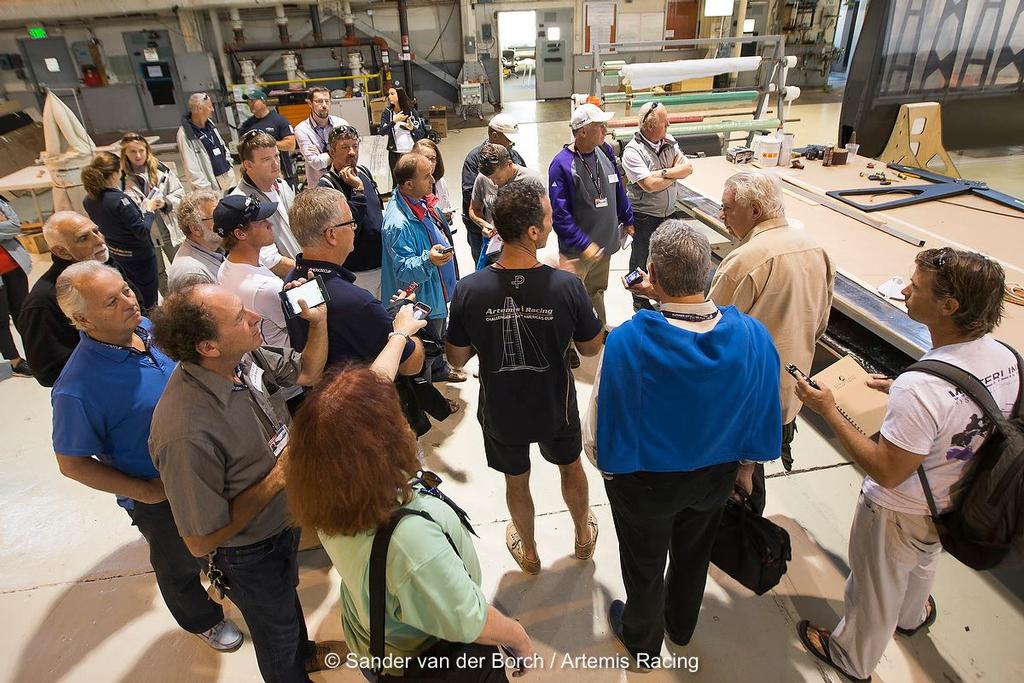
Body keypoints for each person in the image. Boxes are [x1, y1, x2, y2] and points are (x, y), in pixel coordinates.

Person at [794, 248, 1014, 683]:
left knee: (875, 588)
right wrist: (904, 389)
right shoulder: (1005, 358)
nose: (906, 289)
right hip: (956, 498)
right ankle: (912, 616)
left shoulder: (922, 387)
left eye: (917, 286)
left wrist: (829, 410)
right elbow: (967, 402)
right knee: (924, 562)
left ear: (949, 307)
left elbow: (887, 470)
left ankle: (851, 656)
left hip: (900, 509)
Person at [584, 220, 782, 668]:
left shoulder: (630, 340)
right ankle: (682, 624)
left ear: (651, 272)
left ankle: (642, 641)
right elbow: (760, 409)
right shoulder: (753, 336)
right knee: (694, 553)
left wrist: (612, 473)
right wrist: (745, 470)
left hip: (646, 484)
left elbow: (598, 430)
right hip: (715, 477)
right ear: (708, 271)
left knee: (645, 563)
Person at [285, 366, 534, 680]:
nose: (406, 424)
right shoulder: (410, 539)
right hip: (426, 657)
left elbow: (342, 418)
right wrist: (518, 638)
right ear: (380, 447)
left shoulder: (330, 492)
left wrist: (399, 336)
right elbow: (469, 620)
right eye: (395, 417)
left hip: (377, 638)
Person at [50, 261, 243, 653]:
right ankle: (201, 618)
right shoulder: (77, 386)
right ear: (82, 319)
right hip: (163, 493)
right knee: (178, 562)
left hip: (212, 466)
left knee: (224, 537)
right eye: (111, 301)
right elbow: (71, 462)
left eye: (124, 289)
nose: (128, 300)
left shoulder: (152, 331)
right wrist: (144, 491)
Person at [149, 281, 333, 682]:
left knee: (285, 607)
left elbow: (306, 371)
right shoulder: (185, 430)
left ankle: (305, 654)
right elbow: (200, 540)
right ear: (208, 347)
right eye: (239, 317)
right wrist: (278, 477)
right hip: (248, 552)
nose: (255, 317)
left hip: (281, 526)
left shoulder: (242, 358)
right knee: (275, 634)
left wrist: (317, 323)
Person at [447, 178, 605, 574]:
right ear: (533, 232)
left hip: (502, 409)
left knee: (516, 481)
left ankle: (530, 553)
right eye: (549, 216)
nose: (553, 221)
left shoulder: (469, 289)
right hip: (556, 404)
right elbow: (590, 349)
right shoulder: (567, 286)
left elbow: (456, 357)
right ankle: (583, 537)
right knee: (571, 467)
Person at [708, 171, 835, 507]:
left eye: (728, 208)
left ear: (756, 210)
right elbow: (820, 325)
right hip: (788, 396)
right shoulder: (817, 249)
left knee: (733, 490)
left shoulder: (744, 260)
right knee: (756, 474)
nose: (722, 215)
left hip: (741, 406)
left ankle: (738, 548)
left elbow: (709, 334)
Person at [284, 187, 425, 375]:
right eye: (351, 222)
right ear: (331, 234)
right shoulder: (358, 303)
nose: (354, 228)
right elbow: (411, 365)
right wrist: (405, 327)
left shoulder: (293, 282)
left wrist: (385, 317)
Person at [18, 212, 143, 386]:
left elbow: (141, 309)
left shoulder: (103, 266)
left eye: (97, 231)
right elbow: (49, 372)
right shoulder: (43, 303)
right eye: (84, 238)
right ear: (61, 251)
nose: (99, 240)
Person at [548, 103, 634, 329]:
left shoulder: (604, 150)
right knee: (571, 297)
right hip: (578, 251)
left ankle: (597, 329)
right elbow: (560, 216)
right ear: (583, 131)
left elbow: (617, 187)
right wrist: (583, 244)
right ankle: (567, 345)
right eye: (600, 126)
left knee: (597, 291)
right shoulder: (561, 165)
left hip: (604, 245)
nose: (605, 130)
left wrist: (627, 217)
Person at [382, 153, 464, 382]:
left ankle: (439, 374)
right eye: (426, 176)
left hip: (435, 293)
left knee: (435, 347)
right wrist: (428, 260)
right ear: (408, 184)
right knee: (423, 356)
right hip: (423, 300)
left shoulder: (417, 203)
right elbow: (403, 271)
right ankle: (428, 403)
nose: (432, 180)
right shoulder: (399, 223)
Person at [620, 102, 693, 311]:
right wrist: (672, 172)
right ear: (651, 127)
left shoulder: (668, 141)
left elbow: (687, 168)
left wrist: (661, 173)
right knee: (640, 258)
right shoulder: (633, 152)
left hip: (669, 213)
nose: (669, 123)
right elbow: (650, 186)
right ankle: (639, 299)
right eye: (665, 122)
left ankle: (666, 294)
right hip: (645, 216)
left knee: (670, 257)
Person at [82, 151, 160, 311]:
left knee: (131, 291)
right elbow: (142, 231)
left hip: (117, 254)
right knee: (149, 298)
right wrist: (150, 211)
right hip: (140, 257)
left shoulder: (89, 199)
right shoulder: (119, 201)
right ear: (113, 174)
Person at [214, 195, 291, 349]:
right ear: (240, 234)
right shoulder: (267, 287)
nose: (270, 224)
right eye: (262, 222)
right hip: (291, 362)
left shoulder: (226, 267)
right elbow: (306, 324)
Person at [317, 126, 384, 298]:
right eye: (345, 147)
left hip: (382, 263)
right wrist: (358, 191)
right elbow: (347, 228)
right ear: (332, 152)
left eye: (355, 146)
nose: (352, 152)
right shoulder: (327, 187)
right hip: (358, 272)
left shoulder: (363, 172)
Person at [120, 132, 186, 296]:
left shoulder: (161, 169)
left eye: (141, 150)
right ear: (125, 154)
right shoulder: (121, 178)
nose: (138, 155)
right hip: (146, 235)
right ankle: (170, 301)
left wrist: (165, 202)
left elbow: (180, 193)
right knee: (157, 273)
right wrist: (143, 206)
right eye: (132, 152)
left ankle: (187, 299)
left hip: (169, 231)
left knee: (181, 268)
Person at [461, 113, 526, 264]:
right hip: (481, 233)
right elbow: (470, 198)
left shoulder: (514, 157)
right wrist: (485, 225)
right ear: (495, 136)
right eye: (509, 141)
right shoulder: (474, 160)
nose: (511, 145)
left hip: (510, 233)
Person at [468, 144, 543, 270]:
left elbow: (544, 218)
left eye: (496, 177)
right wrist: (484, 225)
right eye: (489, 179)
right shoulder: (482, 178)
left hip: (522, 255)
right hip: (494, 255)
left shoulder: (531, 180)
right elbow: (474, 210)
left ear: (509, 164)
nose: (493, 183)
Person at [231, 131, 301, 261]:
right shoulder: (242, 202)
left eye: (276, 156)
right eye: (267, 159)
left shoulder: (282, 185)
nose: (275, 163)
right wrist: (304, 270)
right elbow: (269, 260)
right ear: (248, 165)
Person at [239, 88, 297, 188]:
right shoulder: (246, 126)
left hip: (281, 173)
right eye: (248, 102)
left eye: (253, 101)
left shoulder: (279, 120)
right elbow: (242, 150)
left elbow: (291, 145)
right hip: (259, 176)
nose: (250, 104)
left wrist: (265, 144)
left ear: (263, 101)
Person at [176, 92, 235, 192]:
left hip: (227, 178)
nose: (212, 109)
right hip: (209, 187)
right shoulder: (185, 134)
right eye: (210, 106)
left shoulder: (210, 124)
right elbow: (191, 168)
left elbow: (222, 146)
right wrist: (205, 189)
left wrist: (229, 164)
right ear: (199, 108)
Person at [0, 194, 31, 377]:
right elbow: (8, 227)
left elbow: (15, 226)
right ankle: (15, 362)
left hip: (14, 265)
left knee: (23, 312)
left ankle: (35, 352)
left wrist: (7, 225)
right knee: (1, 320)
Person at [293, 86, 349, 189]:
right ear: (310, 103)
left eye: (327, 101)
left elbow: (349, 156)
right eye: (319, 101)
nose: (324, 105)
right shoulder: (302, 129)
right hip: (319, 188)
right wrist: (337, 152)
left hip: (343, 182)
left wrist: (322, 154)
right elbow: (316, 163)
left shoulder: (341, 124)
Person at [168, 189, 223, 289]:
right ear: (196, 229)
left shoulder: (214, 247)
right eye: (216, 216)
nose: (224, 220)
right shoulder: (193, 275)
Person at [379, 86, 428, 173]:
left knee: (414, 177)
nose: (389, 96)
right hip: (395, 153)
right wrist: (394, 121)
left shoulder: (412, 112)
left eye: (392, 94)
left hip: (412, 152)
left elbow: (421, 134)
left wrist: (412, 128)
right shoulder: (387, 113)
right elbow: (382, 132)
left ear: (400, 95)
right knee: (397, 180)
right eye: (388, 94)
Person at [413, 138, 455, 225]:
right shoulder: (410, 187)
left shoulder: (440, 182)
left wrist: (447, 217)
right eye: (425, 158)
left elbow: (446, 206)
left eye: (433, 159)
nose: (430, 163)